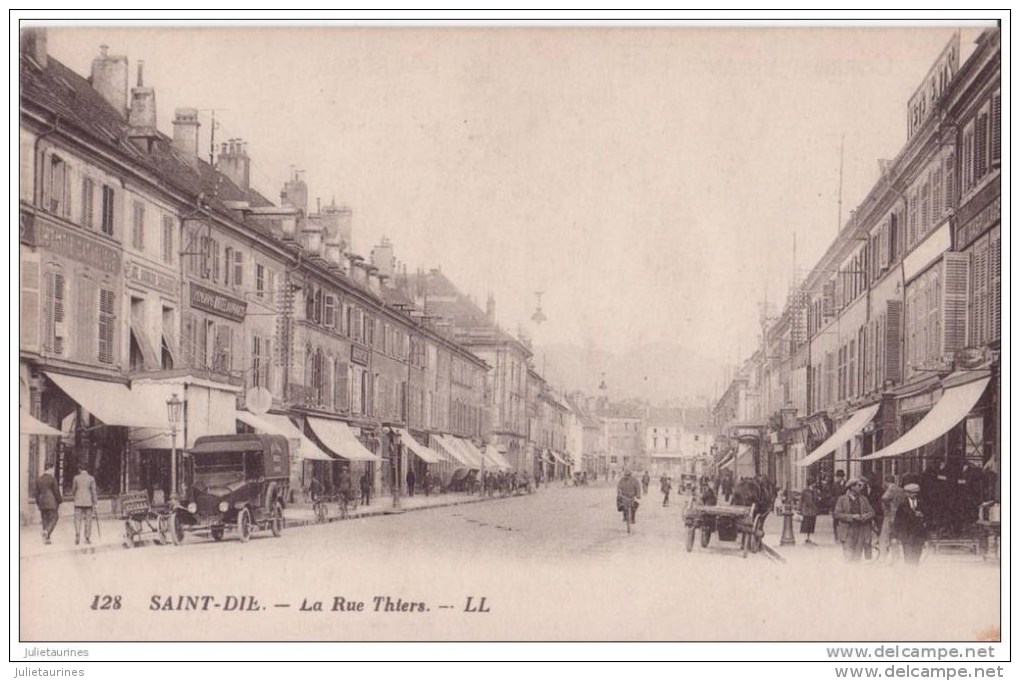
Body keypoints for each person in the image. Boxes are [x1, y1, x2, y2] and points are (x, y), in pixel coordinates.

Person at [833, 476, 875, 562]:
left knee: (857, 557)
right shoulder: (842, 499)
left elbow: (872, 512)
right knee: (848, 557)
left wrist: (864, 516)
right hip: (847, 531)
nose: (860, 488)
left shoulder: (863, 499)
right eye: (858, 486)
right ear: (851, 487)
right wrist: (851, 517)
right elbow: (837, 514)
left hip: (860, 531)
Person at [896, 483, 927, 565]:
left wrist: (922, 515)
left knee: (917, 558)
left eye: (916, 493)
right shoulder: (902, 506)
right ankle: (908, 575)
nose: (915, 495)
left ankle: (914, 575)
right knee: (908, 558)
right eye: (912, 493)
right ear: (907, 493)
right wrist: (896, 535)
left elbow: (928, 517)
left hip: (919, 536)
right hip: (907, 535)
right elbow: (898, 521)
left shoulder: (922, 504)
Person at [879, 475, 906, 563]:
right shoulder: (901, 490)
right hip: (899, 517)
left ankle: (882, 558)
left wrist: (888, 508)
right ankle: (896, 558)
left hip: (890, 516)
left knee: (884, 538)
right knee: (895, 538)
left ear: (886, 482)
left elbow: (884, 498)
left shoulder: (891, 489)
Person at [71, 465, 98, 546]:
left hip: (78, 502)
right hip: (88, 502)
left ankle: (77, 534)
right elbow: (94, 491)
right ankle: (87, 538)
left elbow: (73, 490)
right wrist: (95, 502)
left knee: (77, 519)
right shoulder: (91, 478)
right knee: (88, 520)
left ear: (80, 469)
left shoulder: (76, 478)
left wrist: (76, 495)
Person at [36, 464, 61, 544]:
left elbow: (36, 493)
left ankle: (47, 539)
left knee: (45, 520)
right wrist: (59, 500)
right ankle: (46, 531)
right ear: (50, 469)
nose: (53, 471)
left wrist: (38, 503)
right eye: (52, 469)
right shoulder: (52, 479)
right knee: (54, 518)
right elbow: (56, 491)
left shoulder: (39, 479)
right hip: (51, 502)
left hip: (42, 502)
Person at [799, 481, 820, 545]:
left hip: (813, 511)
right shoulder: (804, 491)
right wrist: (800, 509)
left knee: (811, 525)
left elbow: (816, 500)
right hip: (806, 511)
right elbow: (801, 500)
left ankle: (810, 538)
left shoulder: (815, 491)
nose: (814, 485)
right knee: (806, 525)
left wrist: (818, 499)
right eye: (813, 484)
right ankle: (805, 538)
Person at [831, 470, 848, 539]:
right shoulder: (835, 485)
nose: (837, 478)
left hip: (845, 505)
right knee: (835, 520)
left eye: (838, 477)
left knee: (845, 519)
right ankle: (836, 535)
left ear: (842, 477)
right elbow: (832, 495)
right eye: (837, 477)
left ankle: (844, 535)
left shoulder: (847, 484)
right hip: (836, 505)